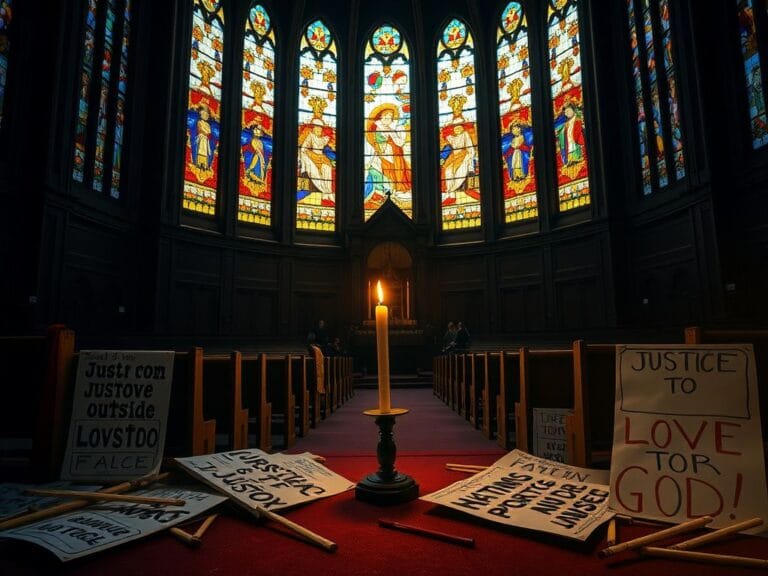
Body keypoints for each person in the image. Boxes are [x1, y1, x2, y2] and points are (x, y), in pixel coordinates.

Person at [364, 104, 411, 206]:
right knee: (382, 171)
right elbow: (375, 142)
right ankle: (383, 192)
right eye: (385, 116)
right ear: (380, 116)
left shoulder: (394, 128)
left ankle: (397, 190)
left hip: (395, 154)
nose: (387, 118)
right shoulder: (377, 128)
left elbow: (399, 142)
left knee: (399, 171)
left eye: (390, 117)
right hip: (383, 155)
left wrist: (392, 133)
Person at [299, 117, 336, 207]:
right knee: (312, 169)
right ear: (313, 128)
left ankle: (327, 193)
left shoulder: (324, 139)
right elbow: (303, 148)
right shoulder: (310, 136)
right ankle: (320, 189)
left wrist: (333, 145)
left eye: (320, 127)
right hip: (312, 156)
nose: (319, 129)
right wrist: (311, 154)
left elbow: (331, 146)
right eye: (317, 127)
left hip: (321, 157)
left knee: (327, 167)